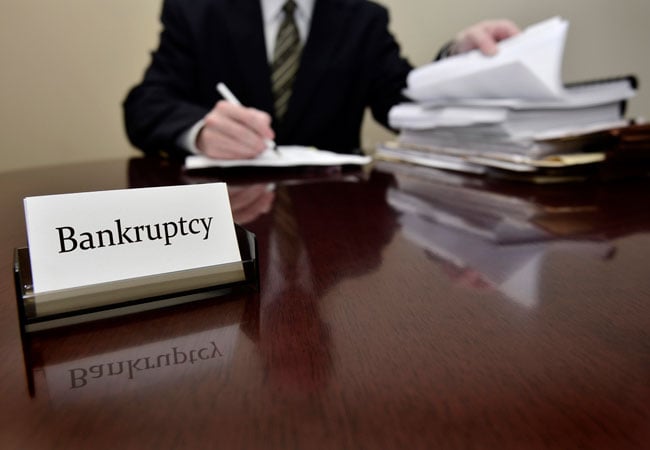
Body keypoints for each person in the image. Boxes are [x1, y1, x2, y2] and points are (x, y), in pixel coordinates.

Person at [123, 0, 519, 160]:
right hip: (227, 215)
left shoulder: (364, 18)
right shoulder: (196, 10)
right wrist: (200, 131)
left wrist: (457, 59)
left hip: (332, 214)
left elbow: (403, 102)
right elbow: (145, 105)